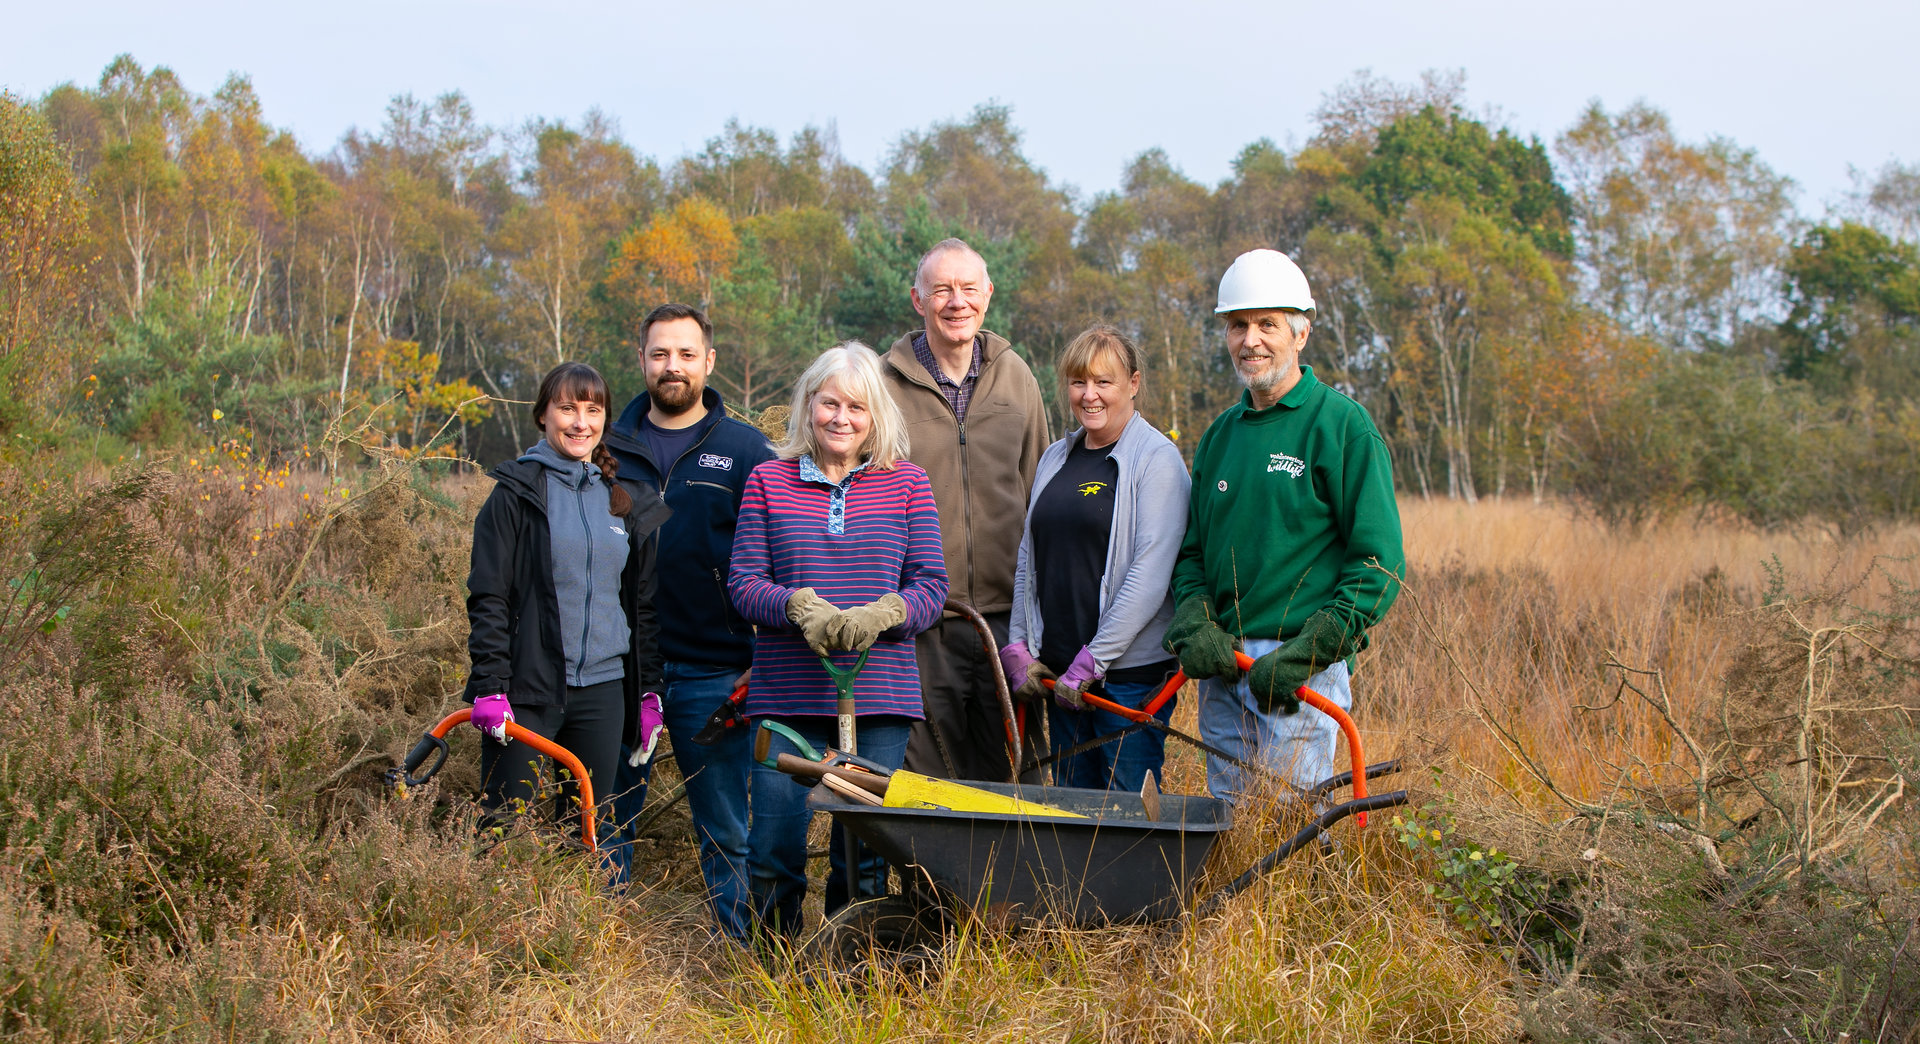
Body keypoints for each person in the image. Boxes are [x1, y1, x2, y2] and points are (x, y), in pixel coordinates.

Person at [1164, 249, 1406, 801]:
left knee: (1292, 832)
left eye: (1267, 324)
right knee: (1228, 827)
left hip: (1298, 670)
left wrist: (1306, 653)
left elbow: (1379, 564)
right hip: (1224, 669)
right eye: (1238, 325)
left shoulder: (1342, 427)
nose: (1251, 340)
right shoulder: (1220, 437)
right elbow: (1193, 555)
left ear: (1301, 334)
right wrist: (1198, 623)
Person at [729, 342, 949, 937]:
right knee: (774, 843)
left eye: (857, 406)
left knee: (864, 851)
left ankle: (849, 967)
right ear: (807, 405)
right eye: (829, 403)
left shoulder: (906, 484)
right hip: (786, 695)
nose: (841, 418)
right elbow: (744, 583)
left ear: (875, 414)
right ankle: (772, 970)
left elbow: (933, 585)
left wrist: (888, 611)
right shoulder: (768, 481)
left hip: (878, 695)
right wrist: (797, 606)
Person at [601, 303, 774, 940]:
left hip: (716, 669)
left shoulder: (748, 450)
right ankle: (596, 953)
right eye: (659, 354)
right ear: (641, 359)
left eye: (685, 354)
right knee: (607, 815)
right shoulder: (605, 448)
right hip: (620, 668)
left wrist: (765, 660)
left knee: (726, 825)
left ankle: (738, 954)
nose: (671, 367)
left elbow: (779, 559)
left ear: (709, 361)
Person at [464, 361, 670, 846]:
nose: (581, 422)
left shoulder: (620, 501)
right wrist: (491, 685)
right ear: (543, 416)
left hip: (602, 693)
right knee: (501, 829)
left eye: (593, 410)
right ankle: (491, 919)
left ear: (605, 421)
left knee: (584, 834)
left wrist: (647, 691)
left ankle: (571, 923)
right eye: (567, 409)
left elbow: (640, 607)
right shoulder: (516, 494)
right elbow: (488, 595)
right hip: (528, 690)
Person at [881, 238, 1049, 782]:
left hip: (1009, 620)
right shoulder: (883, 385)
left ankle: (1018, 869)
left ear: (988, 295)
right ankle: (933, 871)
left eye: (969, 289)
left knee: (1016, 769)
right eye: (942, 290)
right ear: (917, 299)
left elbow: (1039, 484)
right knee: (928, 773)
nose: (957, 302)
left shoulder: (1016, 375)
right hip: (922, 619)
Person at [1001, 325, 1189, 793]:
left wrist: (1096, 659)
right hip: (1062, 675)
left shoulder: (1156, 459)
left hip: (1127, 677)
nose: (1090, 395)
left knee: (1129, 807)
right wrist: (1020, 646)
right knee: (1072, 804)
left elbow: (1150, 570)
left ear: (1133, 383)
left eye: (1104, 382)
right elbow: (1030, 559)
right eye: (1078, 382)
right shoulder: (1055, 458)